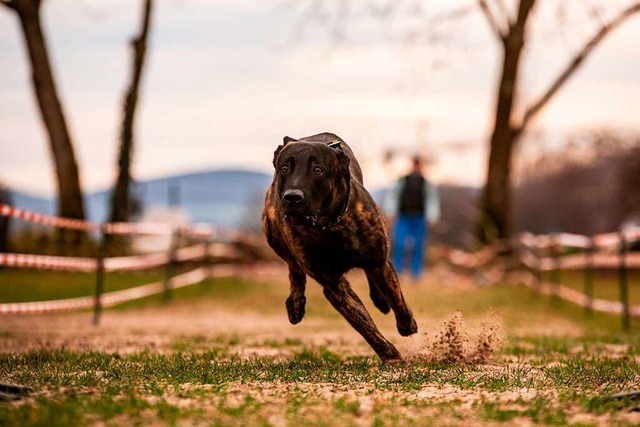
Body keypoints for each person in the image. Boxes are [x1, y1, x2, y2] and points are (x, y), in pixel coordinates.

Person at [385, 155, 440, 280]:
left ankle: (416, 273)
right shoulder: (403, 180)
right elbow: (394, 196)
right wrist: (391, 212)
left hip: (419, 217)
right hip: (403, 216)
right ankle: (397, 271)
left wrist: (432, 215)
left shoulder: (426, 183)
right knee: (399, 243)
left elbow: (432, 200)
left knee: (418, 245)